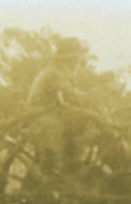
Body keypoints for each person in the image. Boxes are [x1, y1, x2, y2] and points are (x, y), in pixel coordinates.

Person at [25, 37, 88, 174]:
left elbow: (70, 98)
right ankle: (74, 165)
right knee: (90, 123)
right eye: (76, 58)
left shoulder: (58, 72)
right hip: (43, 118)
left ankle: (76, 162)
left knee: (90, 120)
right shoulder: (54, 73)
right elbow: (72, 96)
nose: (77, 62)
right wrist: (96, 95)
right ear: (69, 59)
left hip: (49, 115)